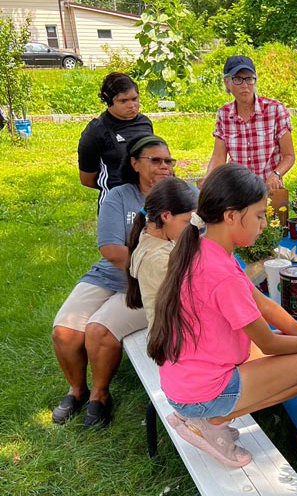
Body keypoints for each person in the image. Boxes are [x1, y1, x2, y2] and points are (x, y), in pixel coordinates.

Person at [148, 163, 297, 467]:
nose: (264, 224)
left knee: (296, 349)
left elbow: (265, 305)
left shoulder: (204, 248)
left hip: (184, 381)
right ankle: (213, 421)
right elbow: (270, 345)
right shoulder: (220, 272)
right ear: (231, 216)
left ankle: (209, 417)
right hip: (200, 392)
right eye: (260, 215)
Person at [51, 135, 175, 427]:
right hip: (108, 274)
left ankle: (100, 394)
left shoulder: (182, 196)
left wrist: (150, 267)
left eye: (168, 161)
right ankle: (76, 390)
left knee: (99, 331)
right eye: (155, 160)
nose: (164, 167)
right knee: (64, 331)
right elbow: (110, 249)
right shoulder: (119, 196)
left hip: (151, 284)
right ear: (134, 163)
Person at [206, 56, 294, 190]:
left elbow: (289, 156)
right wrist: (208, 179)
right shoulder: (224, 114)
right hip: (238, 191)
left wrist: (276, 174)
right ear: (227, 83)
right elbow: (218, 156)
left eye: (249, 79)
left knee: (275, 211)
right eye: (238, 79)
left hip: (270, 189)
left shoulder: (275, 109)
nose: (245, 85)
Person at [126, 177, 198, 328]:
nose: (192, 227)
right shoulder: (157, 259)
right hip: (173, 342)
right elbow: (191, 304)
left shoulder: (152, 236)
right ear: (166, 216)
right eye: (187, 221)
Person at [78, 72, 153, 209]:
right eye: (123, 101)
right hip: (116, 203)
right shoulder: (96, 131)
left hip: (146, 199)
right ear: (109, 100)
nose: (132, 105)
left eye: (135, 99)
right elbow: (87, 179)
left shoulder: (145, 123)